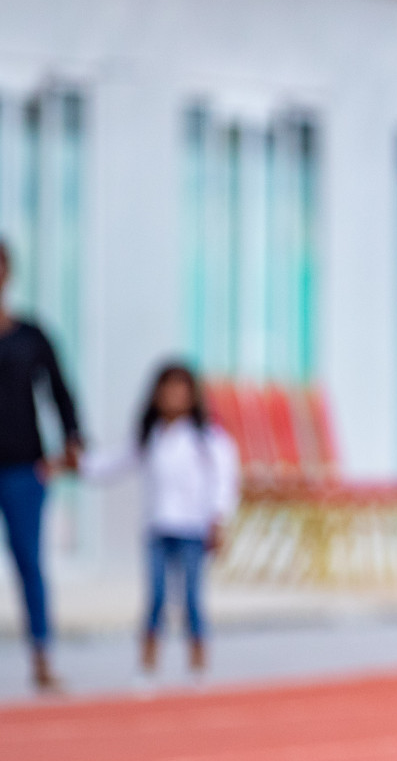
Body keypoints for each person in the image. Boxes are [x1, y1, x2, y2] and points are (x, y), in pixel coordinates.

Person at [81, 363, 238, 680]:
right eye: (167, 390)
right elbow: (115, 463)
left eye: (180, 390)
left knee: (192, 598)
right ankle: (149, 660)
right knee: (156, 596)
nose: (173, 397)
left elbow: (223, 480)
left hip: (192, 528)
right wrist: (81, 464)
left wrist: (217, 519)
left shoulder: (206, 439)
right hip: (158, 527)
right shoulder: (151, 437)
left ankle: (198, 660)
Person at [0, 238, 83, 692]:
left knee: (29, 563)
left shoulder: (32, 336)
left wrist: (72, 442)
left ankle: (42, 655)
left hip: (22, 469)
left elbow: (60, 392)